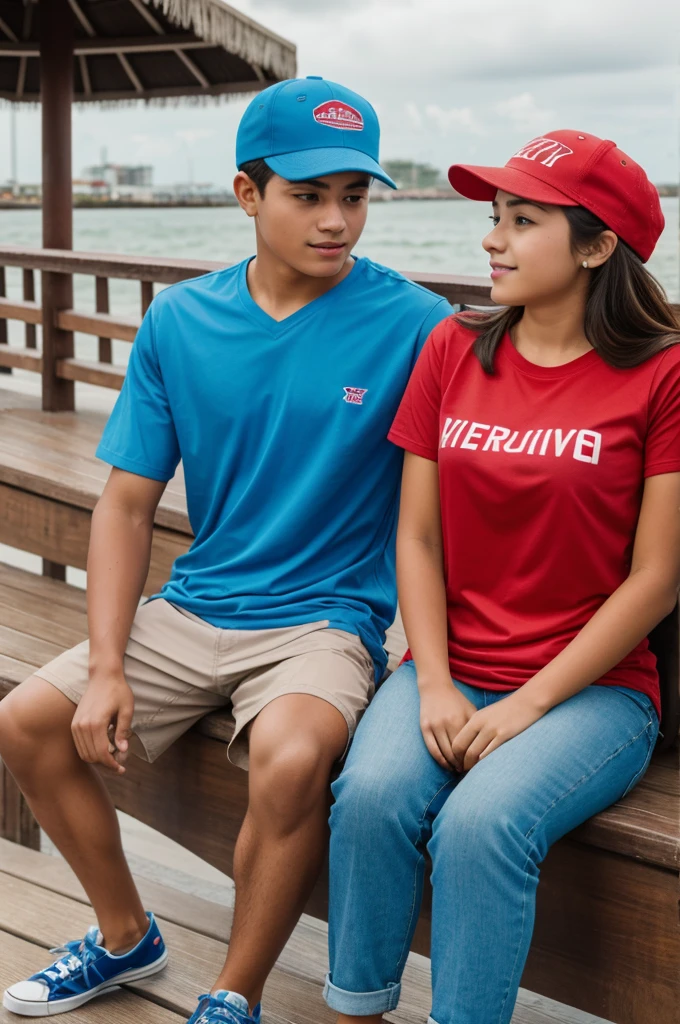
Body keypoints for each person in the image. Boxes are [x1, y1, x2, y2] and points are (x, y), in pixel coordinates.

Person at [0, 77, 451, 1024]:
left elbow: (456, 495)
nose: (337, 221)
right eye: (308, 194)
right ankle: (127, 937)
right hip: (196, 603)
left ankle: (231, 997)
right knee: (26, 722)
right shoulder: (179, 321)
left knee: (291, 760)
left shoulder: (418, 327)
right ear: (248, 195)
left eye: (356, 196)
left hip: (327, 622)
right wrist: (113, 663)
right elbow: (125, 506)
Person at [324, 130, 680, 1024]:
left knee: (480, 827)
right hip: (451, 665)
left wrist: (526, 706)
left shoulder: (664, 375)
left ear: (599, 246)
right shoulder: (455, 347)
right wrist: (435, 682)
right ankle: (353, 1006)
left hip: (595, 689)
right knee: (368, 797)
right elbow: (416, 536)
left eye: (523, 221)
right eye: (494, 217)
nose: (492, 239)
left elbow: (658, 577)